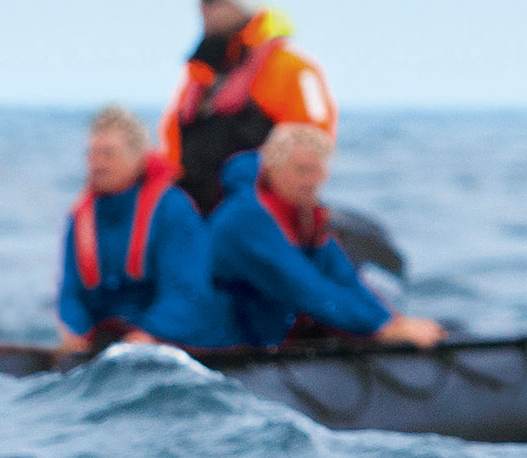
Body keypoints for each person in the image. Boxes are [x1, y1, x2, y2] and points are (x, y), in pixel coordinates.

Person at [166, 123, 445, 349]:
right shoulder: (245, 219)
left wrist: (392, 321)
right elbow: (304, 287)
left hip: (261, 339)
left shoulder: (305, 215)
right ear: (272, 169)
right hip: (213, 344)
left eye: (319, 170)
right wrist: (381, 328)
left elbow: (343, 277)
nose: (313, 181)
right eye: (302, 170)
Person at [156, 0, 333, 215]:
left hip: (259, 214)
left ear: (242, 5)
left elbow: (314, 143)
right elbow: (174, 142)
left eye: (212, 0)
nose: (203, 8)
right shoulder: (201, 74)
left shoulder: (292, 69)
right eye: (201, 0)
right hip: (198, 213)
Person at [53, 104, 207, 354]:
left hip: (167, 345)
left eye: (108, 154)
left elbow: (187, 292)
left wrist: (147, 335)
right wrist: (76, 332)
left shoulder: (172, 209)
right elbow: (70, 291)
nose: (97, 164)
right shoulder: (80, 218)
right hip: (107, 344)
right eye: (91, 154)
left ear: (137, 158)